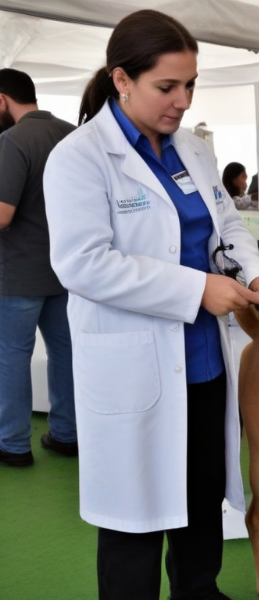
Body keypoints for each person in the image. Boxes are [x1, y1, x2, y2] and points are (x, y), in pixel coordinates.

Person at [42, 10, 259, 600]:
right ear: (122, 80)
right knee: (135, 519)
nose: (182, 101)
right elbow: (82, 263)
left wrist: (258, 277)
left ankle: (199, 591)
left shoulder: (193, 151)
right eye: (167, 87)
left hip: (204, 364)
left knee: (200, 498)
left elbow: (227, 228)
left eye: (191, 85)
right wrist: (195, 289)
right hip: (134, 369)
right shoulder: (80, 158)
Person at [0, 68, 77, 467]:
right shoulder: (70, 134)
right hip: (68, 272)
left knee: (11, 355)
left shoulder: (12, 141)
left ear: (1, 99)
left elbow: (2, 215)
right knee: (65, 352)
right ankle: (67, 434)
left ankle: (12, 443)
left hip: (17, 275)